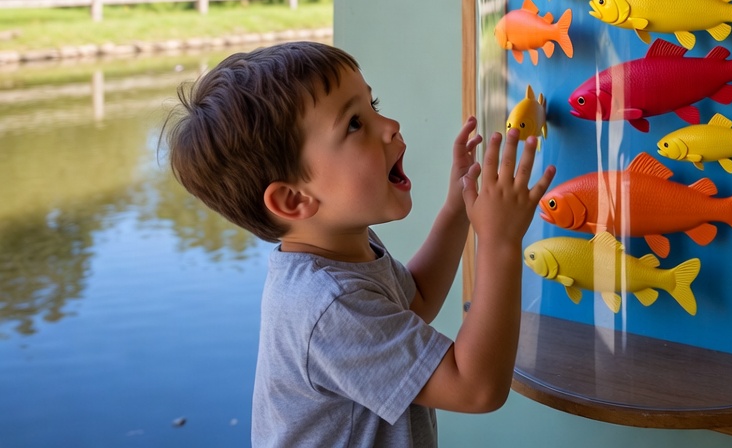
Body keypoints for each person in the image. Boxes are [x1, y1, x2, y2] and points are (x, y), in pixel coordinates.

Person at [161, 41, 555, 448]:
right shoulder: (328, 305)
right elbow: (476, 388)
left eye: (374, 104)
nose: (391, 125)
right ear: (294, 200)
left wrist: (458, 210)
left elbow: (415, 301)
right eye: (354, 124)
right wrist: (499, 242)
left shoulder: (344, 245)